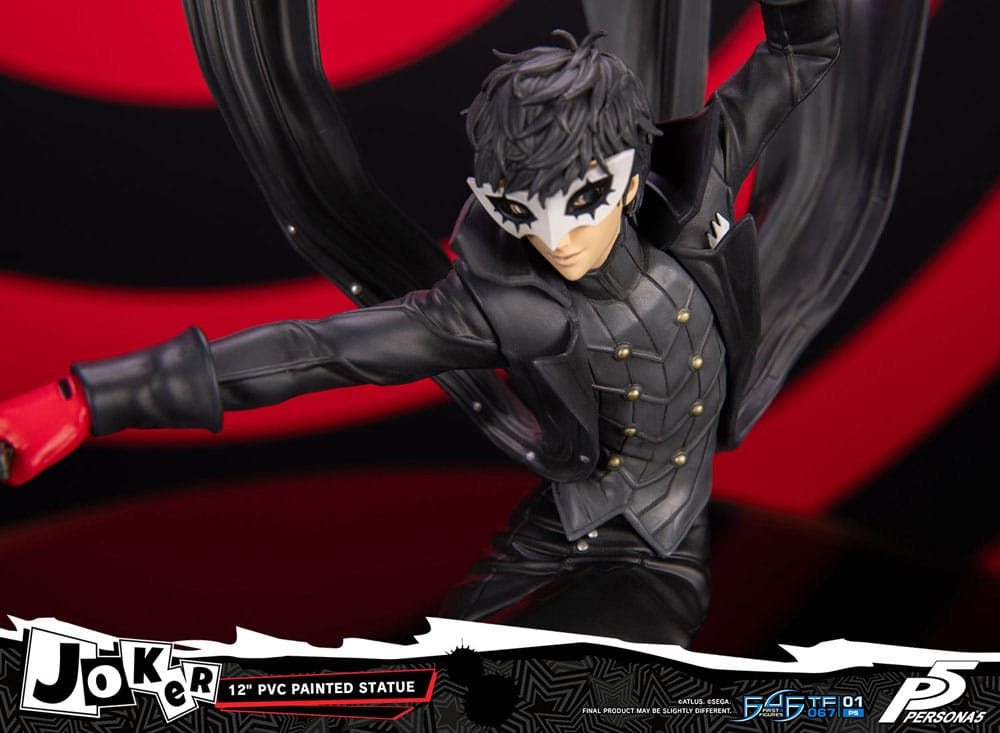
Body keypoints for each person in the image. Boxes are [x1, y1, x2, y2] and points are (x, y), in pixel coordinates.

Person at [0, 0, 919, 645]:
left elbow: (803, 48)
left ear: (632, 165)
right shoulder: (508, 304)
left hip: (659, 552)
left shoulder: (695, 174)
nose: (556, 239)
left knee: (564, 670)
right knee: (425, 669)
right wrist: (89, 398)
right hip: (552, 530)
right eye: (522, 213)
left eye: (582, 200)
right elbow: (317, 354)